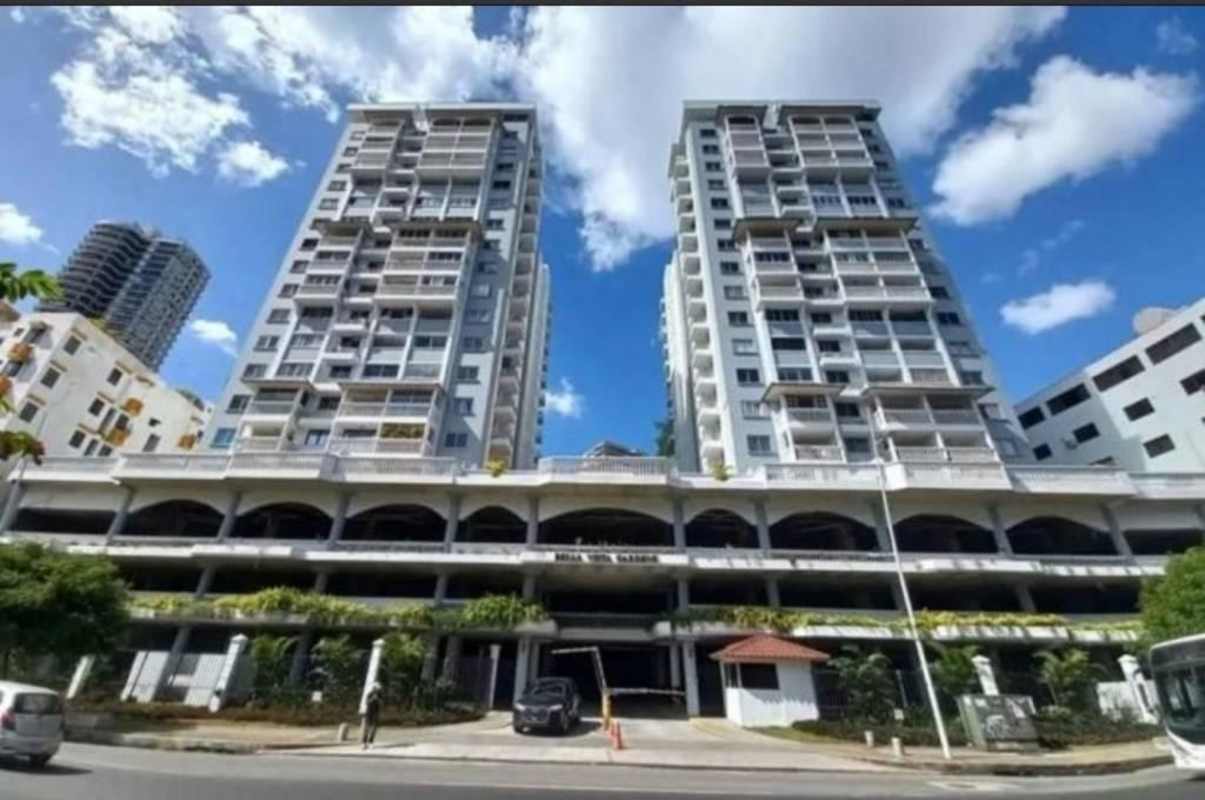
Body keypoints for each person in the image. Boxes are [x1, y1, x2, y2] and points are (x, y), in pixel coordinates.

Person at [361, 683, 382, 750]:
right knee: (366, 729)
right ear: (374, 688)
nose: (377, 690)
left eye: (378, 689)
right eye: (376, 688)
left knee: (373, 729)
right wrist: (372, 699)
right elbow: (366, 702)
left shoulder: (380, 695)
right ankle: (364, 743)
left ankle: (370, 742)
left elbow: (381, 703)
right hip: (369, 713)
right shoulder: (369, 694)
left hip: (376, 713)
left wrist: (378, 699)